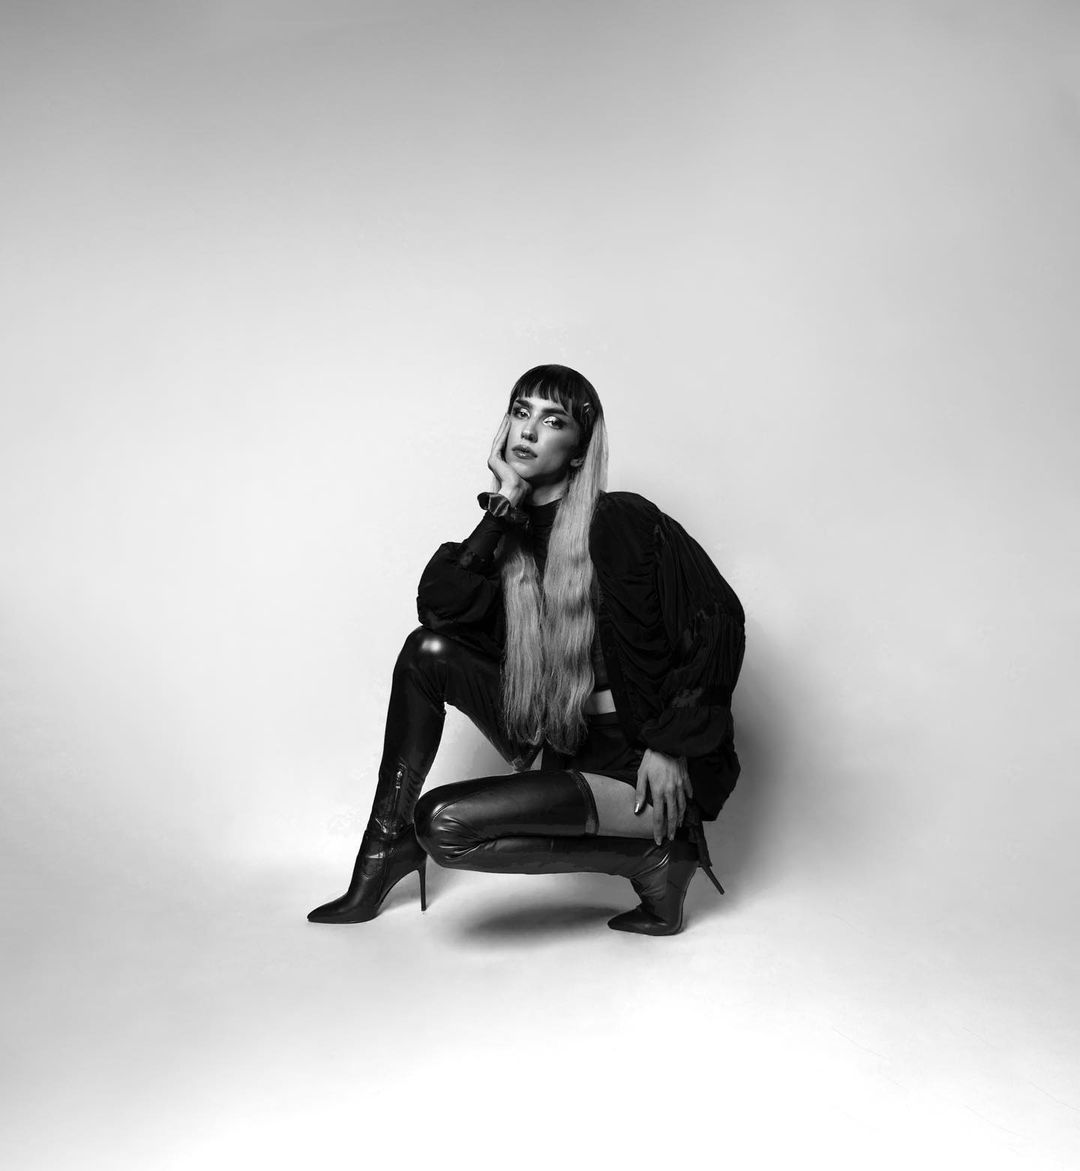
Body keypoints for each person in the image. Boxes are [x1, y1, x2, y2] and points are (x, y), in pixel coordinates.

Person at [307, 365, 745, 935]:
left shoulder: (622, 521)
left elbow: (717, 621)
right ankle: (384, 848)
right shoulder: (506, 540)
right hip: (562, 741)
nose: (530, 431)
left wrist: (670, 746)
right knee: (426, 650)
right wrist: (503, 504)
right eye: (521, 412)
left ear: (579, 451)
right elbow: (440, 612)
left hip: (634, 767)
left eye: (553, 420)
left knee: (443, 824)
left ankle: (660, 858)